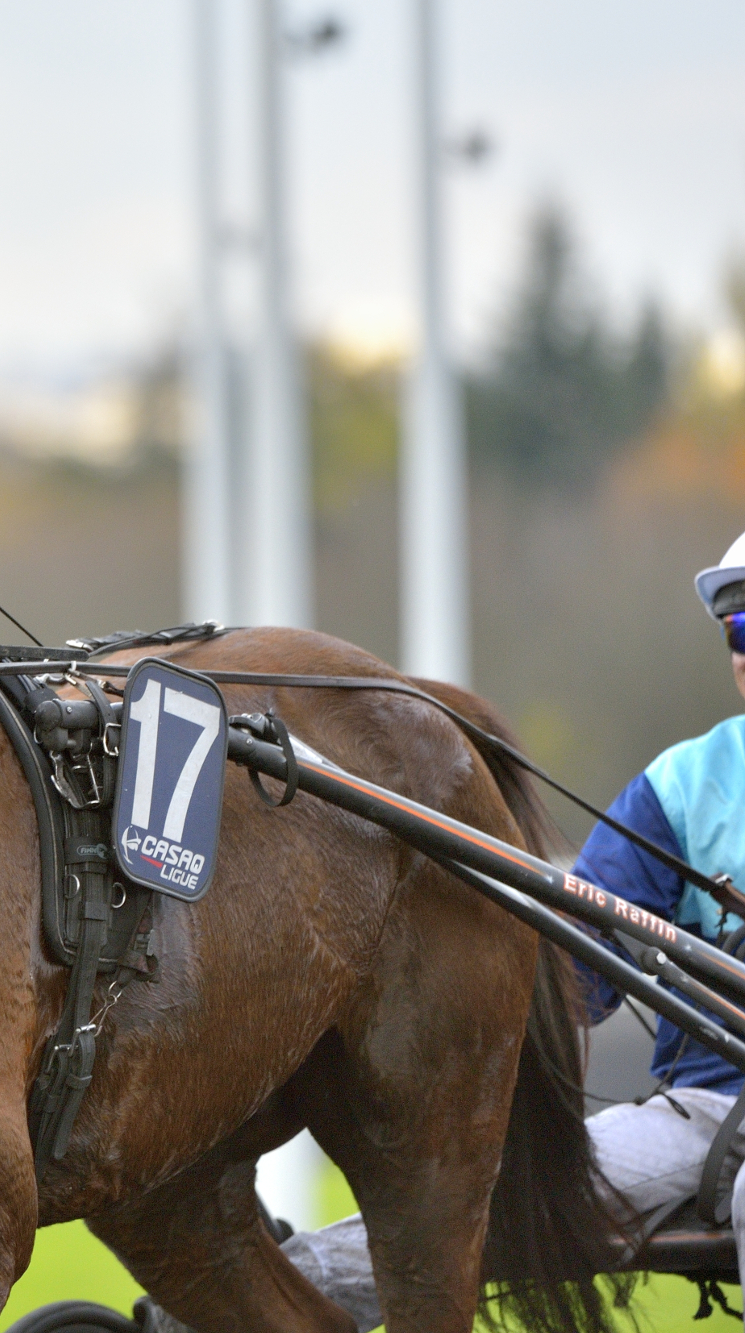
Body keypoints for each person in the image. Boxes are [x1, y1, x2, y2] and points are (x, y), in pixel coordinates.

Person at [140, 530, 745, 1333]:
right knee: (470, 1204)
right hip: (707, 1111)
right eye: (738, 630)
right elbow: (576, 981)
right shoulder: (683, 785)